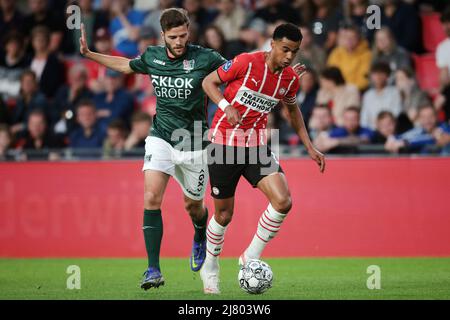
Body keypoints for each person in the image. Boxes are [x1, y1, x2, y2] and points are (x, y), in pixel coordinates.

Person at [79, 8, 227, 290]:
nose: (180, 41)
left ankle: (199, 234)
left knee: (193, 206)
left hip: (195, 144)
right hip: (160, 137)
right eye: (174, 37)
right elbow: (125, 65)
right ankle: (153, 269)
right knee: (151, 197)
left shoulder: (206, 58)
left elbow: (236, 71)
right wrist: (89, 54)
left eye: (184, 35)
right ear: (163, 36)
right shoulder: (152, 56)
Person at [201, 23, 325, 294]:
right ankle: (210, 265)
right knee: (223, 215)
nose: (289, 57)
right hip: (223, 144)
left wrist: (310, 146)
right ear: (272, 44)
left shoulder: (290, 78)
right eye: (285, 50)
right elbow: (208, 82)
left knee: (283, 201)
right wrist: (226, 106)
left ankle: (250, 256)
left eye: (294, 52)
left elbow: (293, 112)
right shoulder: (245, 62)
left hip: (256, 146)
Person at [385, 105, 450, 154]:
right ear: (419, 119)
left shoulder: (444, 127)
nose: (427, 120)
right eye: (423, 117)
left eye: (431, 116)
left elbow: (431, 138)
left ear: (436, 117)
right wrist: (392, 138)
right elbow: (404, 136)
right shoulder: (420, 130)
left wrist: (405, 143)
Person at [327, 23, 371, 91]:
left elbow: (364, 80)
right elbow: (330, 75)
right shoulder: (336, 53)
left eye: (353, 37)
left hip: (357, 91)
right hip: (337, 90)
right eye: (346, 37)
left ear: (358, 38)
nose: (349, 40)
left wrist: (348, 90)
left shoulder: (367, 55)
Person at [361, 62, 402, 130]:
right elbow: (364, 118)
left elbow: (397, 113)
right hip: (372, 131)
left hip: (390, 129)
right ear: (371, 76)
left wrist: (383, 124)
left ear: (387, 76)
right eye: (375, 74)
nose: (378, 76)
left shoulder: (395, 92)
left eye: (381, 73)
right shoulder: (368, 95)